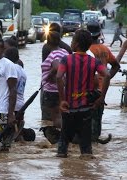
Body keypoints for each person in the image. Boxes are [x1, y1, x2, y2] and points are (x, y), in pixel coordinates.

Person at [56, 29, 111, 158]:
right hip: (86, 109)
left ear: (77, 44)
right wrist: (101, 97)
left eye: (73, 40)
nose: (71, 42)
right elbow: (107, 75)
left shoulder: (66, 60)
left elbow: (59, 77)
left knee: (62, 148)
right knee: (86, 150)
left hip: (69, 108)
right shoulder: (94, 61)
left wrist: (62, 100)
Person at [87, 21, 120, 141]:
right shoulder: (105, 49)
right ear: (99, 33)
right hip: (102, 90)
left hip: (89, 89)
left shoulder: (87, 50)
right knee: (97, 118)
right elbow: (116, 65)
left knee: (86, 120)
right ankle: (96, 142)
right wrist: (107, 78)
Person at [41, 23, 72, 121]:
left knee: (52, 117)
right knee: (63, 113)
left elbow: (57, 67)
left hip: (51, 89)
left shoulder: (49, 50)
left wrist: (49, 77)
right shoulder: (66, 50)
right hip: (64, 88)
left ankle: (58, 135)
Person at [4, 47, 34, 141]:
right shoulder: (23, 71)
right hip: (21, 105)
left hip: (13, 106)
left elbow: (10, 88)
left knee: (9, 135)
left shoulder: (12, 68)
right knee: (16, 134)